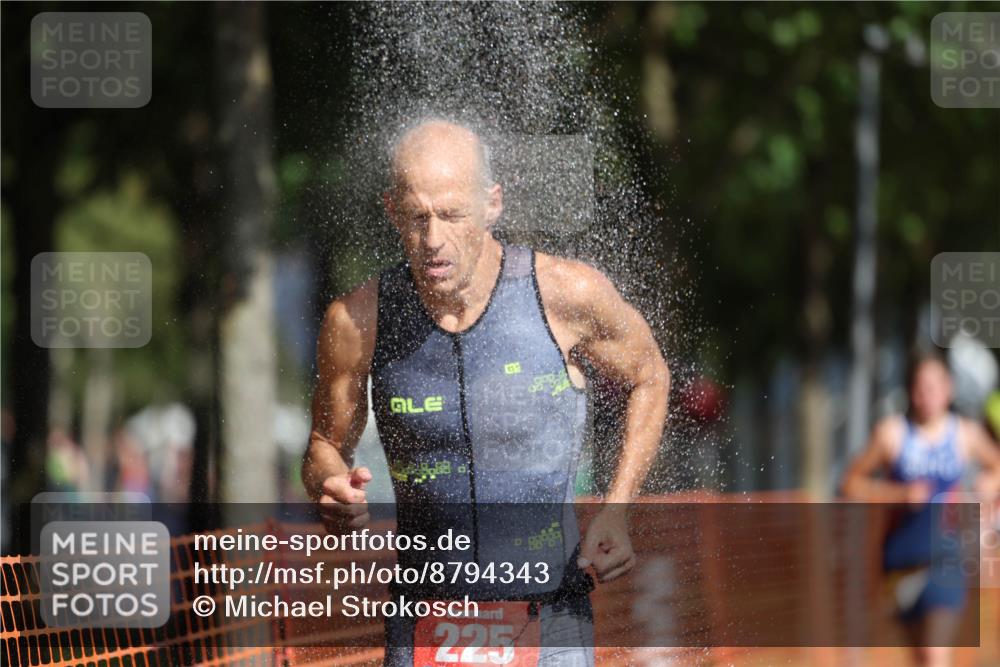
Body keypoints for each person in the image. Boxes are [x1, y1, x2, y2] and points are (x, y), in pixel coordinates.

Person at [302, 118, 670, 666]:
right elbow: (323, 446)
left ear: (492, 204)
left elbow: (650, 375)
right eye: (417, 217)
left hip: (549, 618)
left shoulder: (564, 295)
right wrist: (330, 486)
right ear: (391, 211)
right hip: (425, 623)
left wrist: (617, 509)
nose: (433, 240)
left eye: (452, 215)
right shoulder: (358, 320)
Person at [842, 351, 1000, 667]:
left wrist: (989, 483)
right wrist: (899, 493)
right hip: (900, 565)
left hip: (947, 560)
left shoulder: (965, 433)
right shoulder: (891, 434)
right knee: (921, 657)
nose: (926, 394)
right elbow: (850, 483)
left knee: (934, 655)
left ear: (948, 389)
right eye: (919, 386)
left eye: (933, 386)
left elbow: (997, 466)